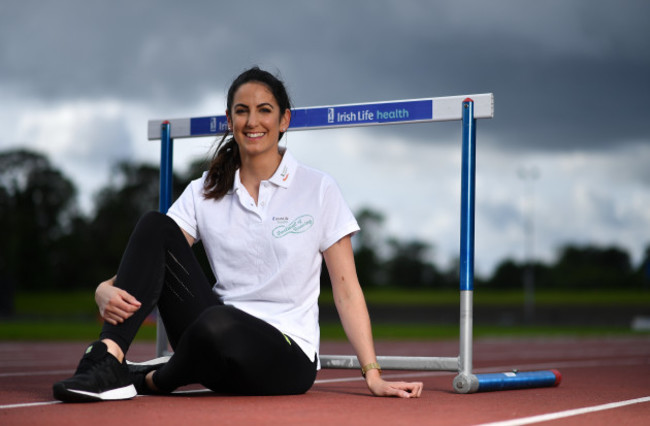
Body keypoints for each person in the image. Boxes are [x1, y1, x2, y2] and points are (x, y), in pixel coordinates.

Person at [53, 67, 423, 402]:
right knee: (155, 224)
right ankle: (106, 360)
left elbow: (346, 290)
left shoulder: (318, 188)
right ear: (230, 121)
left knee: (218, 322)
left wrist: (372, 374)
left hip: (286, 354)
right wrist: (105, 287)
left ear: (284, 120)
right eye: (242, 111)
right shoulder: (205, 190)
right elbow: (154, 257)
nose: (252, 121)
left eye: (264, 109)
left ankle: (153, 380)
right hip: (211, 341)